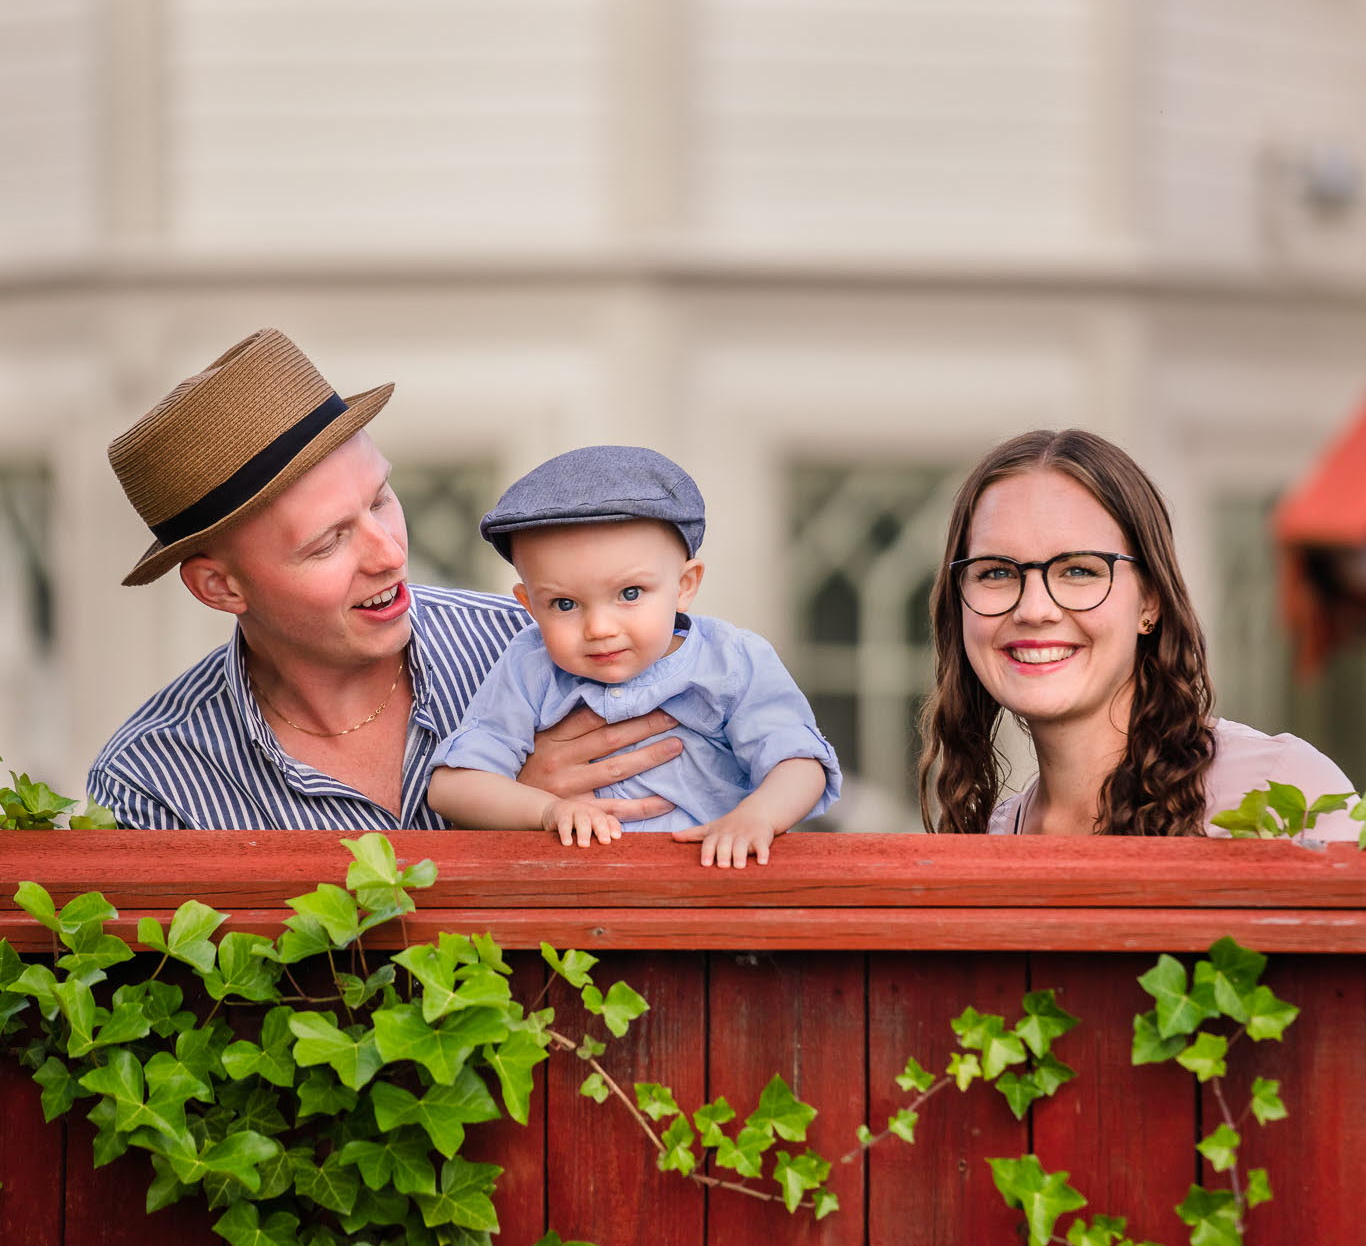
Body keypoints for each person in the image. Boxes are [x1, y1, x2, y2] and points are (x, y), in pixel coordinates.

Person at [87, 329, 684, 830]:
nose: (389, 553)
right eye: (328, 542)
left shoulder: (544, 647)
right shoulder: (148, 782)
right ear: (221, 588)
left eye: (379, 501)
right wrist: (511, 813)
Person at [917, 428, 1359, 840]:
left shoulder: (1280, 790)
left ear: (1150, 601)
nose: (1034, 609)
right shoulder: (997, 834)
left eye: (1078, 570)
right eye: (995, 572)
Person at [427, 446, 841, 867]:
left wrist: (757, 816)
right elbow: (453, 787)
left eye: (630, 594)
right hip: (572, 897)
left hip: (708, 883)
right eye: (564, 604)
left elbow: (799, 761)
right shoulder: (530, 667)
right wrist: (545, 810)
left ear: (684, 585)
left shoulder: (730, 661)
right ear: (529, 604)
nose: (599, 628)